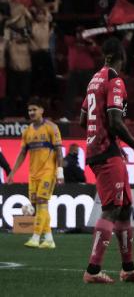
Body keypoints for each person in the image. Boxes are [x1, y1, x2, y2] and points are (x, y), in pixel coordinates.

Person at [79, 37, 134, 284]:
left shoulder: (93, 80)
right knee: (111, 209)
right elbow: (115, 120)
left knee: (125, 208)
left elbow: (82, 119)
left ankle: (128, 269)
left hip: (99, 149)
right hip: (106, 150)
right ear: (122, 56)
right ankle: (93, 269)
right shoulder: (114, 80)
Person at [7, 97, 64, 249]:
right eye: (29, 110)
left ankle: (35, 237)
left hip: (48, 171)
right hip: (33, 174)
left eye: (34, 109)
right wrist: (12, 172)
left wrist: (60, 172)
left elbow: (59, 151)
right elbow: (22, 153)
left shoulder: (52, 127)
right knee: (38, 206)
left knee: (41, 202)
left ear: (41, 110)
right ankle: (49, 239)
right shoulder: (27, 131)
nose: (31, 112)